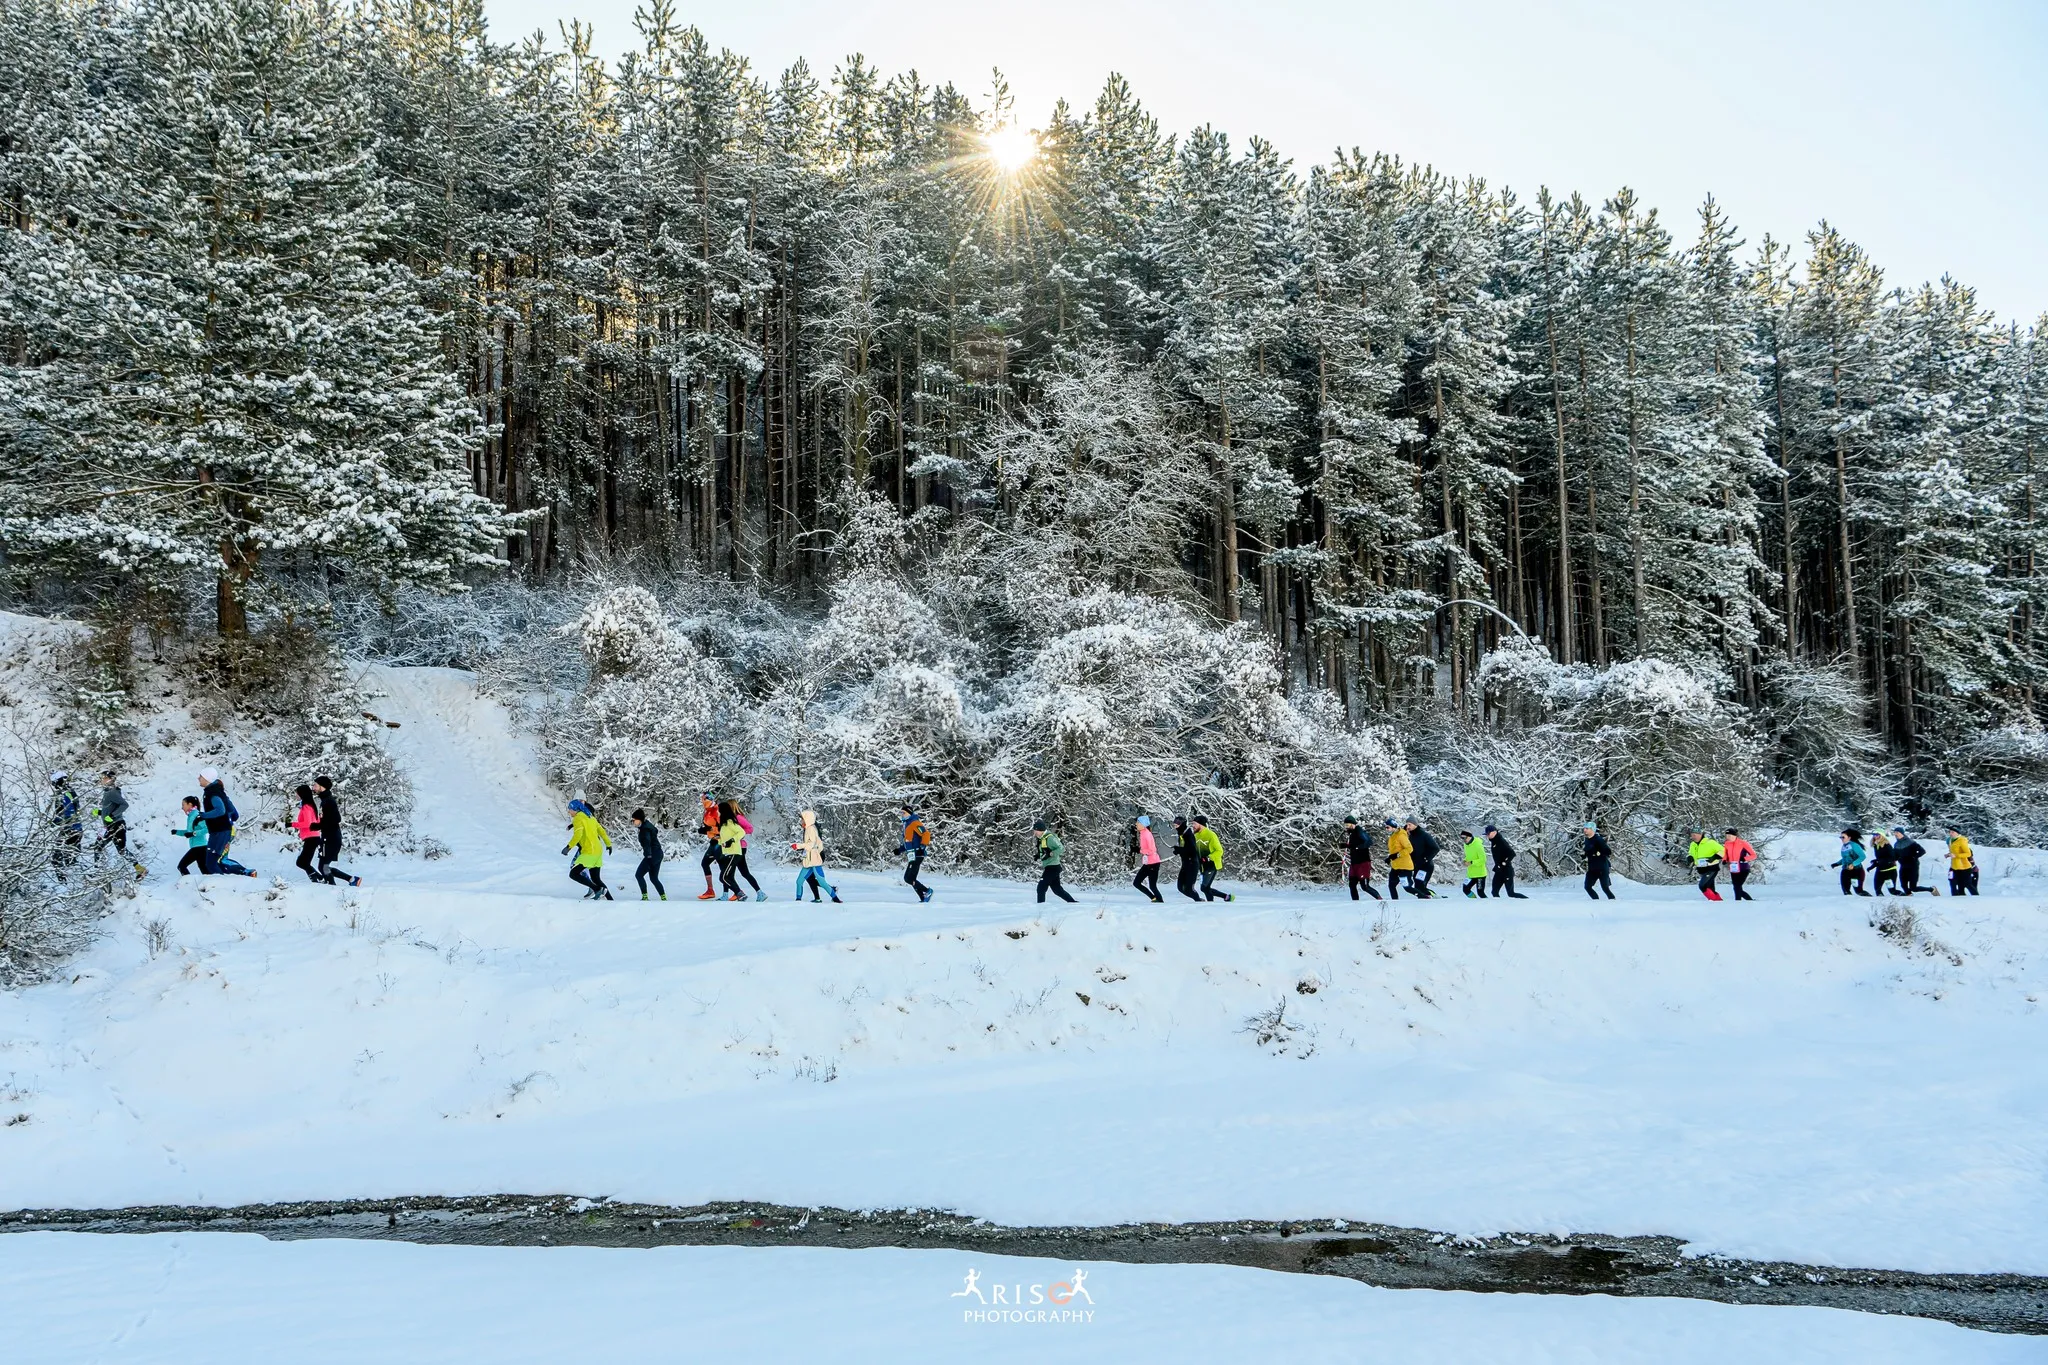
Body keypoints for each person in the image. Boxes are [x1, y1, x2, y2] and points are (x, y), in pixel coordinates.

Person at [91, 771, 145, 879]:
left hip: (116, 825)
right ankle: (98, 871)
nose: (102, 780)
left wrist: (112, 815)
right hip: (109, 826)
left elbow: (124, 805)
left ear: (111, 779)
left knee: (119, 850)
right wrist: (101, 812)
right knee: (99, 846)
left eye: (105, 778)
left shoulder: (112, 792)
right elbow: (112, 808)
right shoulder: (108, 792)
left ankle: (140, 869)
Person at [312, 775, 359, 887]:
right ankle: (351, 880)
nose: (313, 787)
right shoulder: (325, 800)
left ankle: (331, 886)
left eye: (315, 785)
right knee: (323, 867)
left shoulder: (329, 801)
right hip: (327, 837)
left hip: (331, 838)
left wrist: (318, 826)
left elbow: (336, 819)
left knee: (324, 867)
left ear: (322, 787)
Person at [564, 798, 613, 900]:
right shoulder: (591, 817)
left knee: (573, 874)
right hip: (598, 851)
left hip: (589, 851)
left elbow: (578, 835)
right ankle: (610, 900)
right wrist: (608, 844)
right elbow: (602, 831)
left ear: (576, 809)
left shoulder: (578, 818)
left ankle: (596, 889)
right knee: (596, 878)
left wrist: (568, 847)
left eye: (570, 809)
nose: (569, 811)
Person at [791, 809, 841, 903]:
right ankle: (798, 901)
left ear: (807, 819)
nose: (801, 821)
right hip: (809, 860)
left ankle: (835, 899)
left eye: (802, 819)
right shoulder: (808, 828)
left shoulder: (811, 829)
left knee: (821, 882)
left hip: (814, 860)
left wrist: (798, 846)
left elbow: (811, 845)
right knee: (799, 881)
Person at [727, 800, 765, 902]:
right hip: (735, 848)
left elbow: (750, 828)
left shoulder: (738, 817)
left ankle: (738, 893)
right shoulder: (730, 819)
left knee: (727, 873)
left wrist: (739, 834)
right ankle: (759, 892)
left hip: (739, 847)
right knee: (744, 873)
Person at [896, 804, 934, 903]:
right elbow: (909, 842)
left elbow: (926, 834)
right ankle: (923, 897)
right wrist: (899, 850)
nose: (902, 815)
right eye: (901, 813)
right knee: (909, 878)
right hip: (912, 855)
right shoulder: (907, 825)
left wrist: (922, 847)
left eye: (903, 813)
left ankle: (926, 891)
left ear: (909, 813)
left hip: (918, 854)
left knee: (908, 878)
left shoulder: (914, 823)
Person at [1190, 815, 1233, 902]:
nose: (1193, 826)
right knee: (1205, 888)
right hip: (1202, 866)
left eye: (1194, 824)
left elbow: (1219, 851)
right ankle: (1225, 898)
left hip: (1211, 865)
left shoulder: (1211, 835)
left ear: (1201, 824)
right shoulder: (1195, 835)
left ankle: (1216, 902)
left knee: (1204, 888)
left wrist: (1208, 858)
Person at [1033, 819, 1077, 903]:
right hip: (1051, 866)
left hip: (1052, 867)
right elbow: (1046, 850)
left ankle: (1040, 908)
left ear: (1041, 830)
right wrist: (1038, 855)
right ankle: (1073, 903)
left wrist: (1051, 854)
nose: (1034, 833)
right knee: (1057, 890)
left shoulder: (1050, 838)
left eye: (1036, 831)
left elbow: (1061, 848)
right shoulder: (1042, 838)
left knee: (1041, 888)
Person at [630, 809, 666, 901]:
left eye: (634, 820)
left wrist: (648, 856)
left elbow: (647, 842)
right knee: (654, 878)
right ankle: (663, 898)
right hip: (658, 853)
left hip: (652, 854)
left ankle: (645, 897)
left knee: (639, 875)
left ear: (640, 819)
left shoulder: (644, 830)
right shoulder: (647, 826)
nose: (633, 822)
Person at [1342, 817, 1381, 901]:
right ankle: (1355, 904)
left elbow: (1369, 842)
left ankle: (1380, 899)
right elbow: (1355, 845)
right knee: (1352, 885)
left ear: (1353, 824)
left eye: (1348, 825)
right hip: (1354, 863)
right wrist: (1346, 845)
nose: (1347, 827)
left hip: (1363, 863)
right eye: (1345, 825)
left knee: (1365, 886)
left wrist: (1358, 847)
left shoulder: (1360, 831)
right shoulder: (1352, 834)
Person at [291, 784, 324, 882]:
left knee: (301, 862)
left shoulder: (306, 807)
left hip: (311, 838)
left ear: (302, 794)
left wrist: (291, 824)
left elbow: (307, 824)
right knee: (303, 862)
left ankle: (318, 879)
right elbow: (317, 822)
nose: (296, 795)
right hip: (313, 837)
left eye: (297, 793)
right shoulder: (311, 806)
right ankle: (318, 878)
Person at [716, 801, 747, 900]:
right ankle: (739, 894)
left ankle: (740, 893)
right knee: (726, 877)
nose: (717, 812)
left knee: (724, 877)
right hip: (727, 853)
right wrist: (719, 839)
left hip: (734, 853)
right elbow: (724, 839)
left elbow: (741, 832)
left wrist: (732, 840)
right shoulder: (724, 824)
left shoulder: (730, 822)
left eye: (718, 810)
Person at [171, 796, 209, 875]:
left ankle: (187, 884)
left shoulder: (197, 815)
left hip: (200, 847)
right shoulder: (191, 816)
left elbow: (207, 829)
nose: (182, 808)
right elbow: (189, 832)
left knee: (181, 866)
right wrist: (176, 832)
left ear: (190, 804)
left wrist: (193, 833)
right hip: (197, 847)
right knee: (205, 871)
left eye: (183, 805)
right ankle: (211, 885)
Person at [1891, 829, 1936, 895]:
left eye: (1897, 832)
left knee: (1913, 888)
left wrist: (1914, 857)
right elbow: (1896, 856)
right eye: (1894, 832)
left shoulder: (1910, 842)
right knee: (1904, 886)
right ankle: (1909, 898)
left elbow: (1922, 851)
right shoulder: (1896, 844)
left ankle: (1932, 889)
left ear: (1902, 833)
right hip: (1903, 866)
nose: (1895, 834)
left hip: (1913, 866)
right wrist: (1893, 860)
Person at [1485, 824, 1525, 899]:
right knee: (1494, 892)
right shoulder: (1494, 842)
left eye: (1488, 834)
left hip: (1507, 871)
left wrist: (1504, 862)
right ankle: (1498, 907)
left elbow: (1512, 853)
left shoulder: (1501, 841)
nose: (1487, 836)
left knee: (1511, 893)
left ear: (1494, 832)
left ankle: (1527, 901)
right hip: (1499, 871)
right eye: (1486, 834)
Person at [1130, 815, 1163, 902]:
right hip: (1148, 863)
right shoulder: (1143, 833)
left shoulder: (1147, 834)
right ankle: (1154, 898)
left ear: (1143, 824)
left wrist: (1139, 850)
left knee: (1152, 886)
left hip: (1153, 863)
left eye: (1138, 822)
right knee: (1136, 883)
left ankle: (1160, 901)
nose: (1136, 824)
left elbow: (1152, 850)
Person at [696, 794, 722, 900]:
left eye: (705, 800)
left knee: (723, 867)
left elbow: (723, 828)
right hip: (713, 842)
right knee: (705, 863)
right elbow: (709, 826)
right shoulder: (707, 811)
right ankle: (710, 890)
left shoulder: (717, 810)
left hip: (720, 842)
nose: (703, 802)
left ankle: (737, 891)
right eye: (702, 801)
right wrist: (704, 829)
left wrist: (709, 830)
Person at [1688, 826, 1724, 901]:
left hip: (1711, 868)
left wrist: (1714, 857)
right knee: (1710, 887)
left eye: (1695, 835)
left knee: (1702, 886)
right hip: (1701, 868)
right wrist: (1689, 857)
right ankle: (1718, 901)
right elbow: (1690, 853)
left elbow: (1723, 851)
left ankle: (1713, 900)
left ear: (1700, 834)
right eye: (1692, 835)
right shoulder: (1692, 844)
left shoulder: (1710, 842)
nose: (1693, 837)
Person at [1172, 816, 1203, 902]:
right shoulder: (1181, 834)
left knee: (1189, 888)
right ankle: (1198, 900)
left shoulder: (1188, 834)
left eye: (1176, 825)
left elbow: (1192, 849)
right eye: (1174, 825)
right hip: (1185, 863)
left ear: (1182, 824)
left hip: (1192, 864)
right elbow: (1184, 848)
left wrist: (1179, 850)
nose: (1175, 827)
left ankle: (1199, 902)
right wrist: (1178, 850)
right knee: (1180, 887)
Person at [1406, 820, 1440, 898]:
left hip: (1426, 866)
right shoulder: (1410, 836)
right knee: (1418, 887)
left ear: (1415, 825)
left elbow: (1435, 848)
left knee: (1420, 886)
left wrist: (1425, 858)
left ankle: (1434, 897)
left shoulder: (1424, 835)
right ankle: (1423, 901)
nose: (1408, 827)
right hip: (1417, 866)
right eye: (1407, 825)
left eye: (1409, 824)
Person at [1722, 828, 1758, 901]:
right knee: (1736, 887)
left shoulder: (1743, 843)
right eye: (1726, 835)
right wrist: (1724, 860)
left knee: (1737, 887)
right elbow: (1725, 853)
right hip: (1734, 868)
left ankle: (1740, 902)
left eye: (1729, 835)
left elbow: (1754, 855)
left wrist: (1744, 859)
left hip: (1743, 868)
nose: (1727, 837)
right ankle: (1746, 901)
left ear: (1734, 835)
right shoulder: (1727, 843)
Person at [1831, 829, 1869, 896]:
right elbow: (1845, 858)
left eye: (1843, 837)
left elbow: (1862, 856)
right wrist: (1837, 863)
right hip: (1846, 870)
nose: (1841, 839)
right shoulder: (1844, 846)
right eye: (1841, 837)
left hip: (1856, 871)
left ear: (1849, 837)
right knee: (1846, 891)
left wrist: (1853, 864)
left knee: (1859, 891)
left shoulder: (1854, 845)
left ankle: (1870, 902)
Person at [1582, 822, 1615, 900]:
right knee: (1587, 887)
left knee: (1605, 888)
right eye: (1584, 828)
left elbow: (1608, 851)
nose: (1585, 830)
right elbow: (1589, 851)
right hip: (1592, 868)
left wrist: (1598, 853)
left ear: (1592, 829)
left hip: (1602, 868)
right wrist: (1584, 854)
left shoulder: (1598, 839)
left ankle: (1613, 902)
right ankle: (1596, 903)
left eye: (1587, 828)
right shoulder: (1587, 840)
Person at [1385, 818, 1413, 900]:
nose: (1386, 829)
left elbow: (1409, 848)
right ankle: (1395, 902)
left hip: (1404, 867)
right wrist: (1390, 858)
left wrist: (1397, 855)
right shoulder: (1393, 836)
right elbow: (1395, 850)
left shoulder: (1401, 835)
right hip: (1396, 866)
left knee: (1407, 887)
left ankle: (1425, 897)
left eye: (1388, 827)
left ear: (1393, 827)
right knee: (1391, 885)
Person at [1946, 825, 1978, 896]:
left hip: (1964, 867)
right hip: (1954, 867)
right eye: (1950, 832)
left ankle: (1977, 898)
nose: (1950, 833)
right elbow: (1954, 852)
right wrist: (1948, 854)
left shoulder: (1962, 841)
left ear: (1957, 833)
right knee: (1952, 882)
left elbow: (1968, 853)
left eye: (1953, 832)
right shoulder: (1950, 840)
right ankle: (1956, 898)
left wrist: (1956, 855)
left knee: (1967, 884)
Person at [1869, 831, 1898, 897]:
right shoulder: (1876, 845)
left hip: (1889, 870)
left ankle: (1906, 899)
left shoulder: (1887, 845)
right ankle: (1881, 905)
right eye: (1874, 835)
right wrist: (1874, 863)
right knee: (1877, 890)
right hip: (1880, 870)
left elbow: (1892, 858)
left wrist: (1879, 861)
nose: (1875, 836)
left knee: (1892, 891)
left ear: (1881, 836)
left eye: (1877, 834)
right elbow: (1881, 858)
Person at [1460, 830, 1487, 897]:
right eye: (1462, 838)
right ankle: (1474, 902)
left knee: (1480, 893)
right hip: (1471, 874)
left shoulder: (1478, 845)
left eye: (1465, 838)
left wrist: (1472, 862)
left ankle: (1487, 905)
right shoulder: (1466, 845)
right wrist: (1465, 861)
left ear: (1469, 836)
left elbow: (1483, 859)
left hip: (1480, 875)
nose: (1464, 840)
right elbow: (1468, 856)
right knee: (1465, 889)